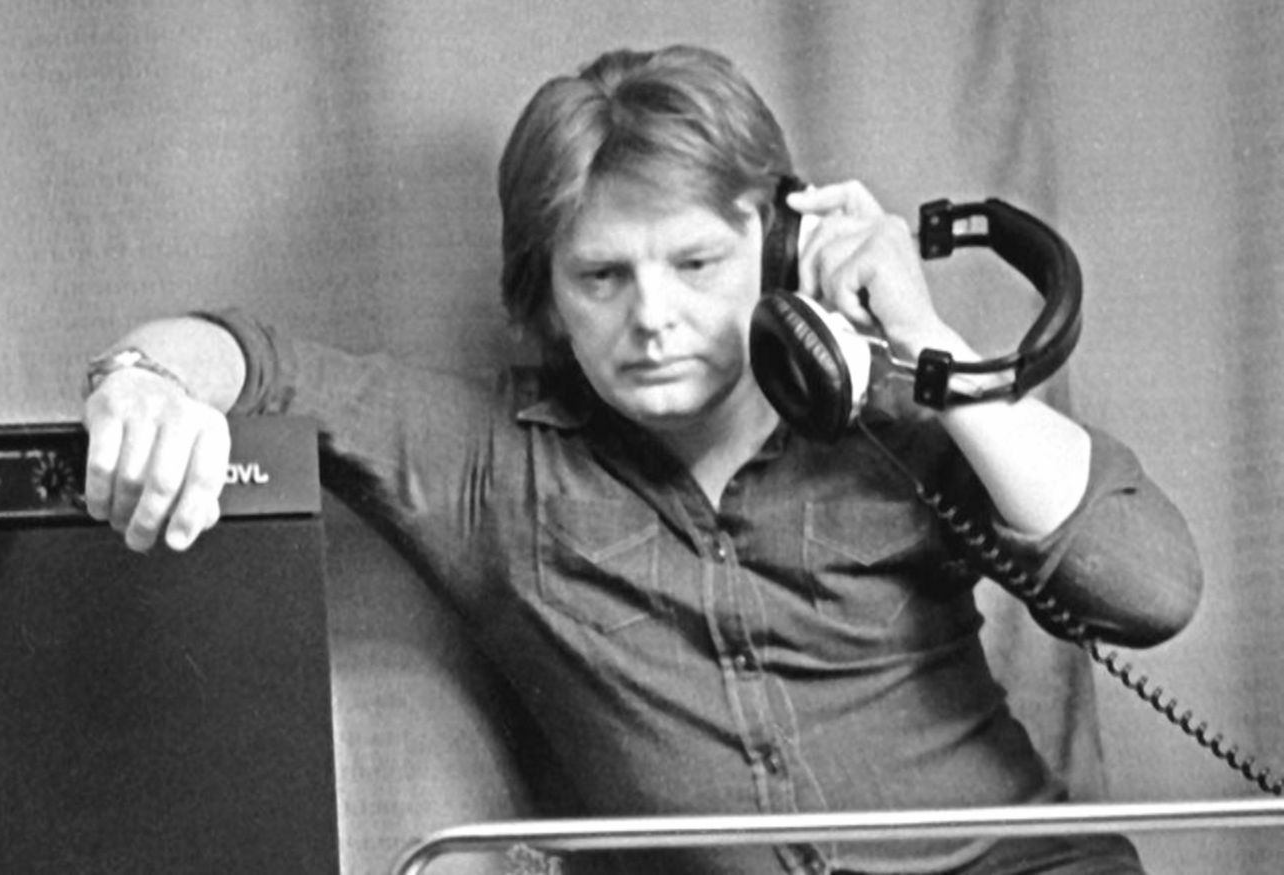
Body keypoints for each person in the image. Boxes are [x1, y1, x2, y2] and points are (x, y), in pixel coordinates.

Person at [80, 45, 1202, 875]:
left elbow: (1149, 589)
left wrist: (924, 337)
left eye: (697, 263)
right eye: (602, 276)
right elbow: (255, 361)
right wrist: (139, 379)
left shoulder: (900, 416)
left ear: (778, 247)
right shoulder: (492, 467)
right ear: (545, 296)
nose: (653, 317)